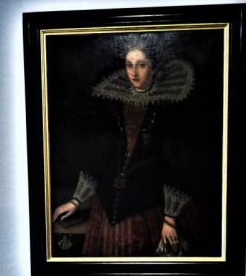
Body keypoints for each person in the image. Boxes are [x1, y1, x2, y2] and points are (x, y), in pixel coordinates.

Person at [53, 36, 195, 256]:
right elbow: (100, 155)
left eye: (141, 65)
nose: (134, 72)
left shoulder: (169, 107)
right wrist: (76, 199)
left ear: (153, 67)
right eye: (129, 65)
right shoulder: (113, 103)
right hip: (109, 205)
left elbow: (177, 162)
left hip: (152, 206)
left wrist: (170, 219)